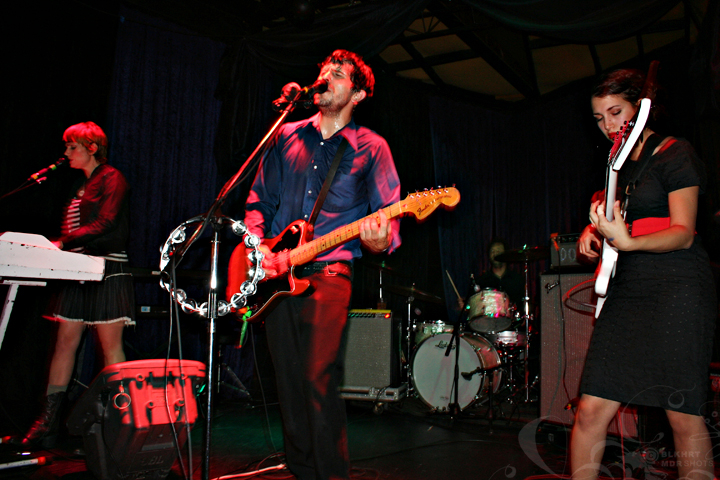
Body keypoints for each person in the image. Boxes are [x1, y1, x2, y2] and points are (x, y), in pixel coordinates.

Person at [237, 50, 401, 480]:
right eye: (324, 70)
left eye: (339, 74)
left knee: (316, 379)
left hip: (330, 275)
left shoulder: (372, 148)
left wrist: (382, 238)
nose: (326, 76)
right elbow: (258, 204)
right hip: (276, 279)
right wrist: (259, 251)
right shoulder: (285, 135)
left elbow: (390, 215)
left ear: (358, 94)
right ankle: (302, 471)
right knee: (288, 386)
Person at [572, 69, 716, 480]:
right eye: (599, 118)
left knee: (683, 416)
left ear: (640, 108)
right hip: (630, 288)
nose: (608, 125)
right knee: (590, 410)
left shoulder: (675, 153)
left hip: (678, 287)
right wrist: (593, 229)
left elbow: (683, 233)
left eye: (616, 112)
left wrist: (630, 241)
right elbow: (613, 210)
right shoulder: (616, 167)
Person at [17, 122, 134, 448]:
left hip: (106, 264)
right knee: (65, 342)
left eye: (72, 147)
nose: (66, 153)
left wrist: (62, 242)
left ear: (91, 148)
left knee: (110, 345)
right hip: (77, 266)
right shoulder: (80, 185)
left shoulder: (112, 178)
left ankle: (122, 422)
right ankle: (47, 423)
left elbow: (107, 221)